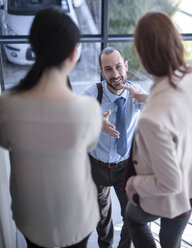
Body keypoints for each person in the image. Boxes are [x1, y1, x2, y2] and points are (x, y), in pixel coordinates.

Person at [0, 7, 101, 248]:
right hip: (77, 218)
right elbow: (90, 144)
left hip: (31, 218)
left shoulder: (6, 105)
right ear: (73, 54)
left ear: (34, 47)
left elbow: (5, 142)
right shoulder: (88, 110)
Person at [124, 11, 192, 248]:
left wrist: (133, 184)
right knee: (171, 242)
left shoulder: (152, 120)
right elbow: (175, 105)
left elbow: (170, 183)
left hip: (173, 188)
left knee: (133, 217)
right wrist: (149, 98)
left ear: (142, 55)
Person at [83, 47, 147, 248]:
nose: (116, 74)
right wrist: (96, 122)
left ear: (126, 66)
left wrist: (145, 99)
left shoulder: (136, 94)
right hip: (97, 165)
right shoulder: (93, 93)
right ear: (102, 71)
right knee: (101, 217)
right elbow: (75, 120)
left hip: (125, 167)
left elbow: (166, 112)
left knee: (130, 216)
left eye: (119, 67)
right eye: (109, 69)